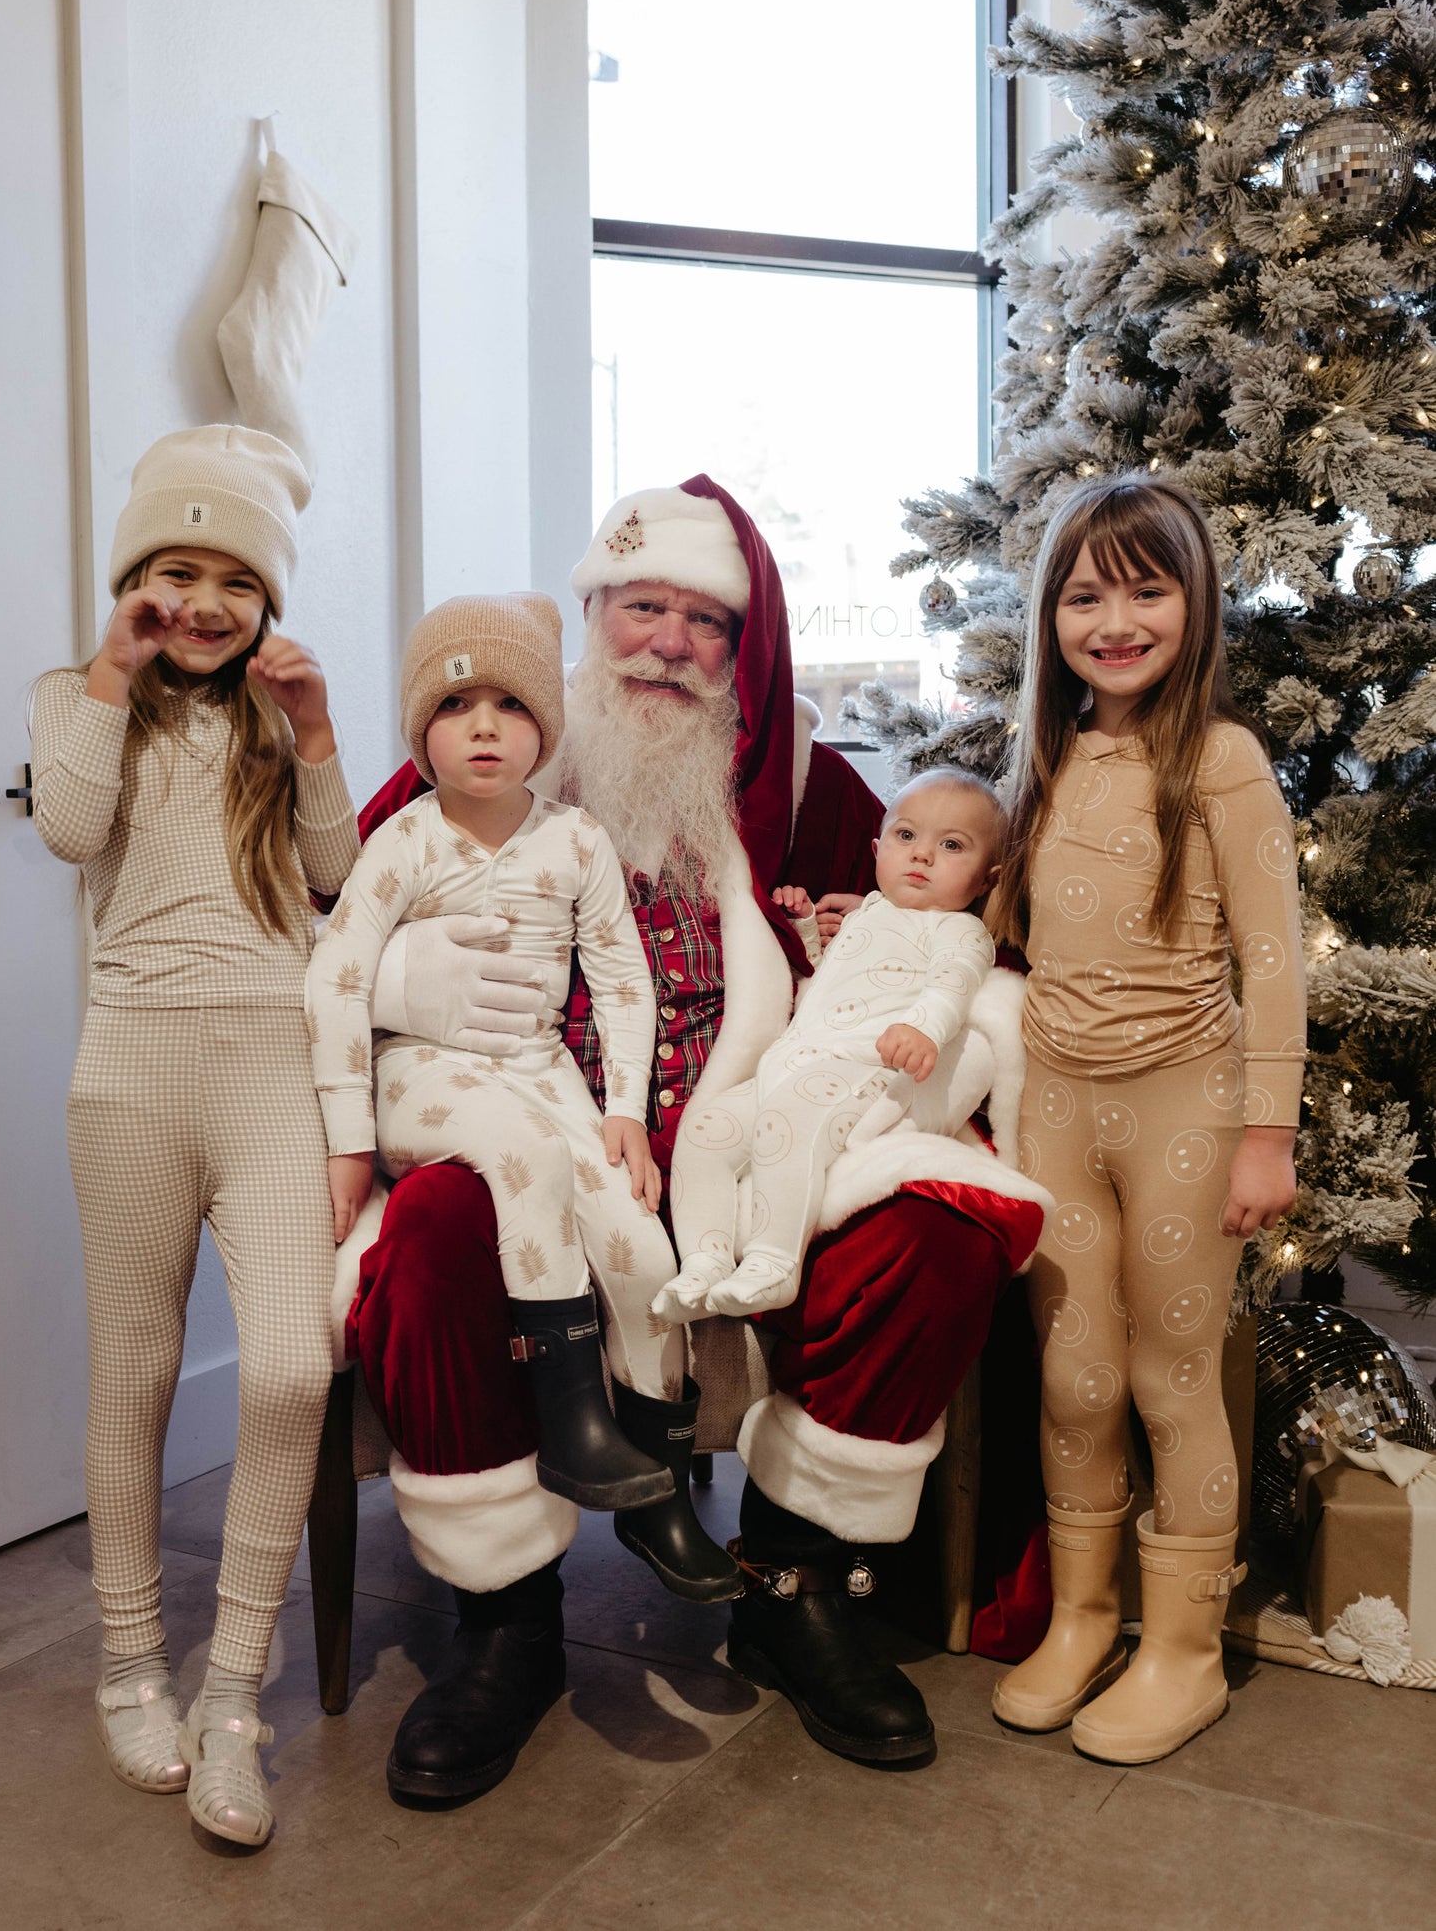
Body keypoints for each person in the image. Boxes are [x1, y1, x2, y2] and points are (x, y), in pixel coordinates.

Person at [335, 477, 1048, 1801]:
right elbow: (337, 923)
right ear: (590, 619)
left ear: (743, 649)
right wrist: (398, 985)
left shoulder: (815, 789)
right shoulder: (482, 758)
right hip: (525, 1132)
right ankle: (507, 1616)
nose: (665, 642)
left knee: (937, 1230)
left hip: (769, 1135)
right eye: (638, 607)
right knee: (434, 1231)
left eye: (700, 622)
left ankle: (793, 1580)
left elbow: (944, 927)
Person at [29, 426, 359, 1847]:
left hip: (272, 1063)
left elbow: (342, 878)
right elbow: (72, 827)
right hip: (133, 1069)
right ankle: (126, 1658)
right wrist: (109, 669)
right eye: (177, 569)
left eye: (236, 577)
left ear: (269, 598)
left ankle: (234, 1690)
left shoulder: (279, 721)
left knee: (291, 1363)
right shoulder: (78, 696)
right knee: (141, 1363)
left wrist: (326, 728)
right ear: (134, 582)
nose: (206, 601)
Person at [306, 592, 736, 1592]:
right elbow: (332, 974)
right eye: (457, 707)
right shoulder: (403, 841)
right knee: (523, 1158)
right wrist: (345, 1137)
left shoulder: (574, 840)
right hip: (422, 1073)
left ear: (548, 724)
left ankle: (654, 1483)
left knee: (638, 1242)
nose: (485, 725)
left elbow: (623, 974)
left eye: (509, 702)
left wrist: (623, 1107)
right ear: (423, 732)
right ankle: (572, 1425)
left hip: (538, 1071)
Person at [988, 474, 1305, 1764]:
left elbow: (1274, 956)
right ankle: (1085, 1616)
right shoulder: (1049, 755)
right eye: (1082, 594)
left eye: (1143, 589)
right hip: (1055, 1099)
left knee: (1174, 1381)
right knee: (1074, 1375)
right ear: (1050, 615)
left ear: (1194, 604)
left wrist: (1266, 1133)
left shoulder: (1219, 760)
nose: (1111, 620)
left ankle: (1183, 1651)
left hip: (1187, 1096)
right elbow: (1016, 933)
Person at [655, 769, 1007, 1321]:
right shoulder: (866, 912)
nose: (923, 857)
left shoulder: (959, 931)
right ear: (877, 847)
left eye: (952, 846)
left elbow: (952, 985)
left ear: (987, 880)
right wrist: (805, 932)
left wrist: (923, 1029)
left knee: (789, 1125)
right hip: (791, 1062)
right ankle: (703, 1259)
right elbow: (824, 983)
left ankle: (773, 1264)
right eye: (907, 836)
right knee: (704, 1131)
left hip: (863, 1069)